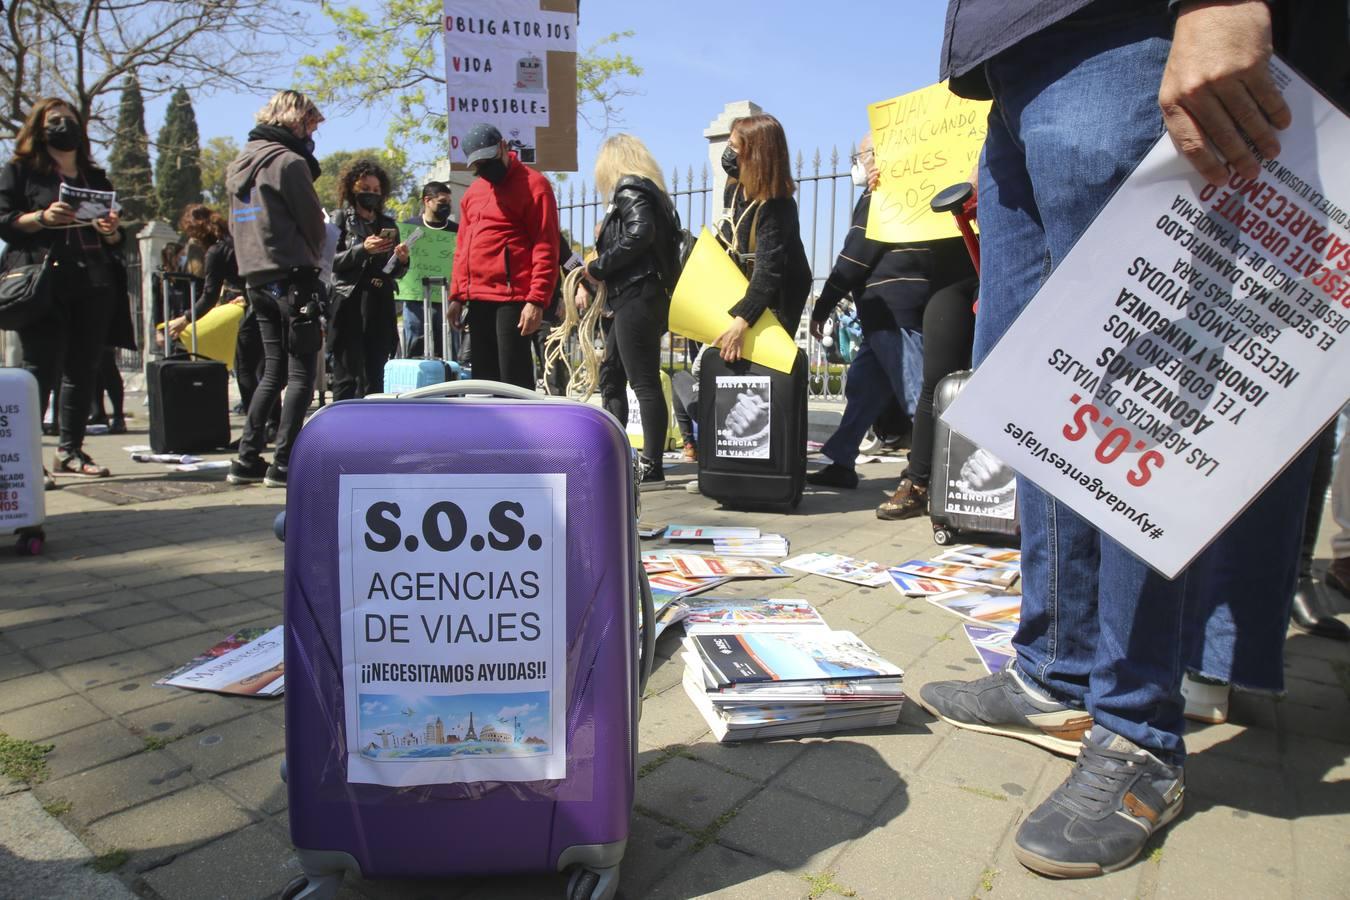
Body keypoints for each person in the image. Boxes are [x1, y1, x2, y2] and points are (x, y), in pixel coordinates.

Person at [916, 0, 1328, 879]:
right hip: (1017, 64)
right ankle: (1053, 674)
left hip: (1122, 32)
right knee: (1037, 394)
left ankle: (1139, 730)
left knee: (1131, 400)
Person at [0, 97, 136, 482]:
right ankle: (30, 459)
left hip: (94, 283)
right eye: (54, 120)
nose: (64, 126)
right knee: (40, 369)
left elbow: (116, 235)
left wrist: (111, 231)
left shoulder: (94, 177)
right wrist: (41, 217)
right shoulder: (21, 172)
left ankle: (71, 450)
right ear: (39, 129)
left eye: (69, 119)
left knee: (83, 368)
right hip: (45, 285)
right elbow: (4, 221)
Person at [806, 133, 933, 490]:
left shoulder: (883, 194)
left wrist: (824, 303)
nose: (857, 164)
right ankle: (842, 458)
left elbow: (855, 254)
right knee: (864, 389)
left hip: (894, 311)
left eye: (861, 155)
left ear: (877, 156)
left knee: (915, 395)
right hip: (884, 312)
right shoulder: (907, 191)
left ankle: (934, 472)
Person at [224, 89, 326, 487]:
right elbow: (312, 222)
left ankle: (246, 458)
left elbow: (236, 225)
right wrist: (317, 251)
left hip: (257, 277)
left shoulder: (241, 163)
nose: (314, 134)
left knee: (271, 372)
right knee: (301, 373)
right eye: (312, 125)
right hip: (293, 275)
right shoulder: (289, 162)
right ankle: (284, 462)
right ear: (297, 121)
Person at [584, 134, 681, 484]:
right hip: (636, 295)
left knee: (641, 381)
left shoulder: (631, 189)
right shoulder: (650, 192)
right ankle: (616, 455)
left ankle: (651, 464)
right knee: (613, 378)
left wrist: (599, 266)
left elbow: (639, 233)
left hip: (635, 294)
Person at [449, 123, 559, 390]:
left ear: (503, 147)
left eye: (488, 160)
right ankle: (486, 433)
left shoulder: (535, 185)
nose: (485, 168)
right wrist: (457, 296)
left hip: (513, 299)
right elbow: (463, 247)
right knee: (483, 383)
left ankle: (519, 433)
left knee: (513, 380)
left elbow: (547, 245)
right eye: (479, 164)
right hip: (478, 299)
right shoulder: (474, 192)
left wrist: (536, 300)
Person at [712, 114, 812, 362]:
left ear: (755, 154)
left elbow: (768, 273)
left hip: (778, 300)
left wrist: (740, 323)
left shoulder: (778, 205)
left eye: (734, 147)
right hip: (747, 292)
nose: (728, 152)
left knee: (762, 375)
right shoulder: (735, 189)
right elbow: (728, 239)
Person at [328, 158, 408, 400]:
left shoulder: (387, 224)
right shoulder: (339, 219)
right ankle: (341, 430)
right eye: (365, 189)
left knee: (376, 372)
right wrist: (363, 249)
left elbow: (393, 271)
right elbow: (330, 261)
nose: (371, 194)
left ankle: (373, 430)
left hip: (379, 303)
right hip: (348, 300)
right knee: (347, 375)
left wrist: (402, 260)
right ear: (352, 189)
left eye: (375, 190)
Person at [401, 181, 458, 359]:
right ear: (427, 201)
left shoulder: (456, 231)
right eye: (442, 202)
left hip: (447, 300)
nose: (447, 206)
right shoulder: (409, 227)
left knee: (449, 348)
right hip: (416, 300)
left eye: (449, 202)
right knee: (416, 345)